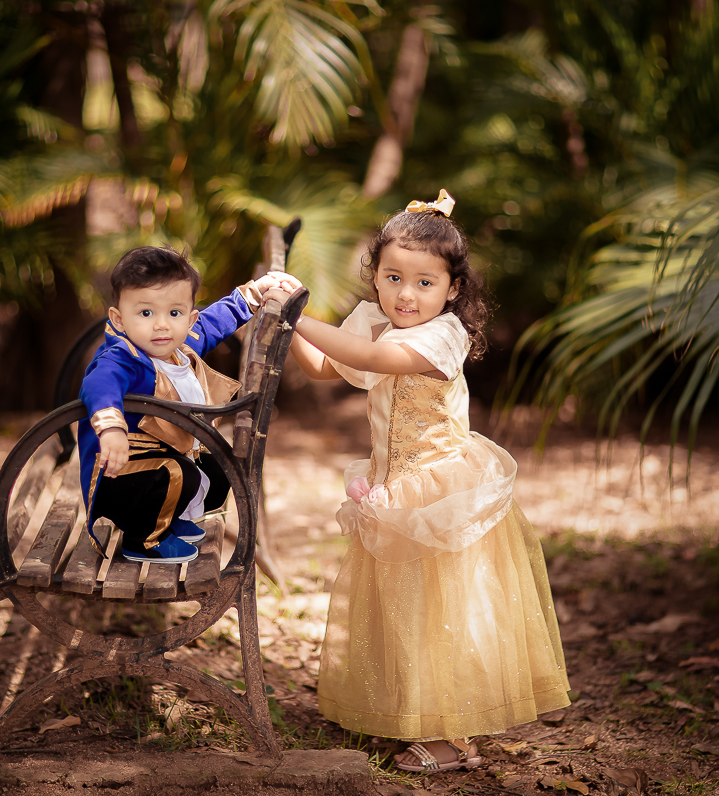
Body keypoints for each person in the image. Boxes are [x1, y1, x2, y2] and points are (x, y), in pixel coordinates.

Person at [272, 190, 571, 772]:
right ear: (376, 277)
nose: (407, 295)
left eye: (424, 283)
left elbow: (378, 359)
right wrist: (279, 320)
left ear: (452, 289)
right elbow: (325, 365)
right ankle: (414, 713)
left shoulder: (443, 336)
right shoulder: (373, 320)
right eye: (393, 277)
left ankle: (451, 735)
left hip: (439, 490)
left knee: (443, 612)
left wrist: (297, 313)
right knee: (403, 610)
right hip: (393, 485)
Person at [78, 246, 299, 564]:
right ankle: (143, 541)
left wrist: (255, 292)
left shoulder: (179, 346)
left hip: (161, 456)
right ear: (119, 319)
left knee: (219, 472)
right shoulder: (123, 358)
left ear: (189, 317)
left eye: (174, 313)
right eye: (145, 313)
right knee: (179, 474)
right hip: (119, 472)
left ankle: (166, 518)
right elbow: (99, 384)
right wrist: (110, 427)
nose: (161, 326)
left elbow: (213, 323)